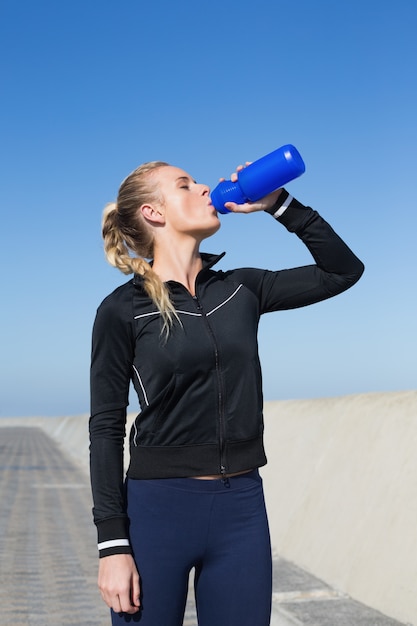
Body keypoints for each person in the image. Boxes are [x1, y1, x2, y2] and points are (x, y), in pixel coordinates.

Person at [89, 158, 364, 626]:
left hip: (241, 509)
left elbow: (342, 271)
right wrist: (113, 545)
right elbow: (106, 425)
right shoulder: (122, 310)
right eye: (184, 185)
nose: (203, 188)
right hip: (158, 511)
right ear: (154, 213)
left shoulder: (241, 288)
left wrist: (281, 205)